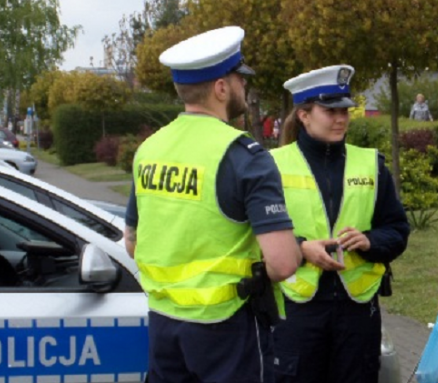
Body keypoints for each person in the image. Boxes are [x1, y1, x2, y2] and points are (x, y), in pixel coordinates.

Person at [123, 26, 302, 383]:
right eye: (240, 79)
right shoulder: (244, 155)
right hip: (227, 327)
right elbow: (282, 265)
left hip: (163, 324)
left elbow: (132, 241)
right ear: (221, 88)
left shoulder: (150, 149)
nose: (244, 87)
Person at [270, 65, 410, 383]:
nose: (341, 118)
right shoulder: (272, 166)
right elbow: (256, 237)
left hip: (357, 312)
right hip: (298, 311)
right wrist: (302, 248)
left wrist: (371, 241)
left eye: (345, 110)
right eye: (330, 110)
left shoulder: (371, 164)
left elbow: (398, 230)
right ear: (304, 115)